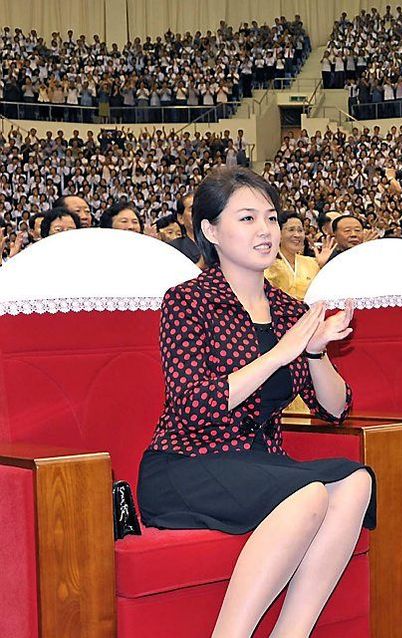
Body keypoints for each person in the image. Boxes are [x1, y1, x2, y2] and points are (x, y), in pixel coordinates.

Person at [137, 167, 375, 637]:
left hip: (259, 463)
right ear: (210, 231)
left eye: (270, 217)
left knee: (355, 481)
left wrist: (314, 351)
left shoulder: (290, 310)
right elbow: (192, 405)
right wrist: (279, 354)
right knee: (307, 494)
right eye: (247, 219)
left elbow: (334, 408)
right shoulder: (188, 301)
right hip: (186, 462)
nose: (265, 230)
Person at [265, 211, 327, 301]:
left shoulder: (313, 263)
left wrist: (323, 267)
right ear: (279, 233)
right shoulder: (266, 264)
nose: (297, 235)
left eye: (300, 230)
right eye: (291, 230)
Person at [169, 192, 201, 264]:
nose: (199, 212)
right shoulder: (174, 248)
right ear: (180, 218)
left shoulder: (219, 242)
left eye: (201, 208)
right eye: (192, 209)